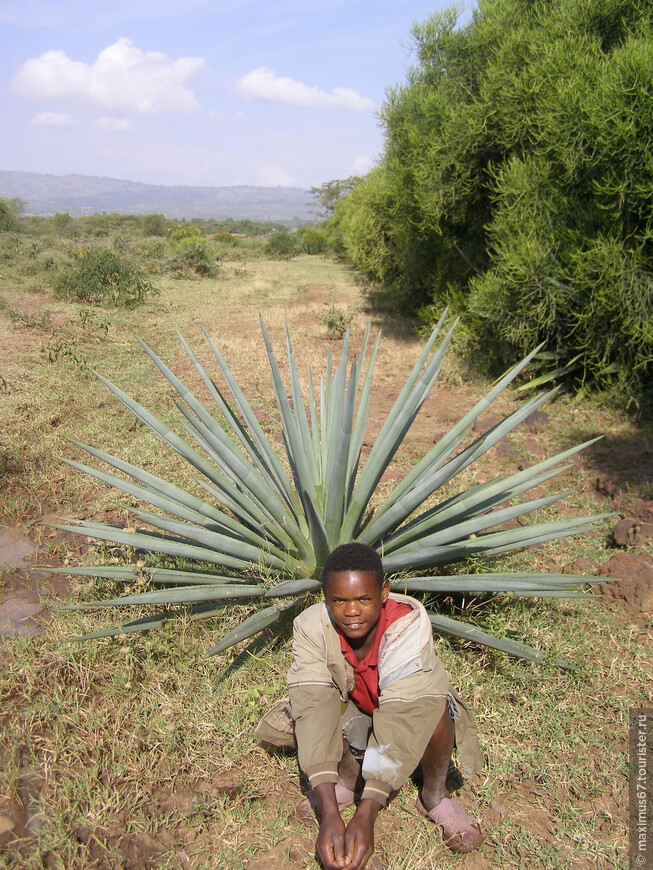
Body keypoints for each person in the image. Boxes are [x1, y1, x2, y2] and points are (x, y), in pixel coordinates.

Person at [256, 542, 485, 870]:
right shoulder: (312, 627)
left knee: (434, 710)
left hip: (408, 711)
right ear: (325, 596)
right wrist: (330, 815)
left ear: (383, 592)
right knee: (309, 707)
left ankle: (434, 796)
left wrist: (367, 814)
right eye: (339, 600)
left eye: (364, 599)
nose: (351, 612)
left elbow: (404, 715)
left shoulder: (407, 627)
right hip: (358, 714)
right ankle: (346, 784)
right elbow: (314, 704)